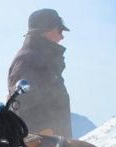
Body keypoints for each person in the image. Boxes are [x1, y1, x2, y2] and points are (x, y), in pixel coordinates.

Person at [7, 8, 73, 138]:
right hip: (41, 143)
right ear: (47, 31)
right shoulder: (29, 59)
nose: (62, 36)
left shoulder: (40, 58)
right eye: (59, 30)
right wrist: (40, 131)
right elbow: (21, 102)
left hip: (52, 141)